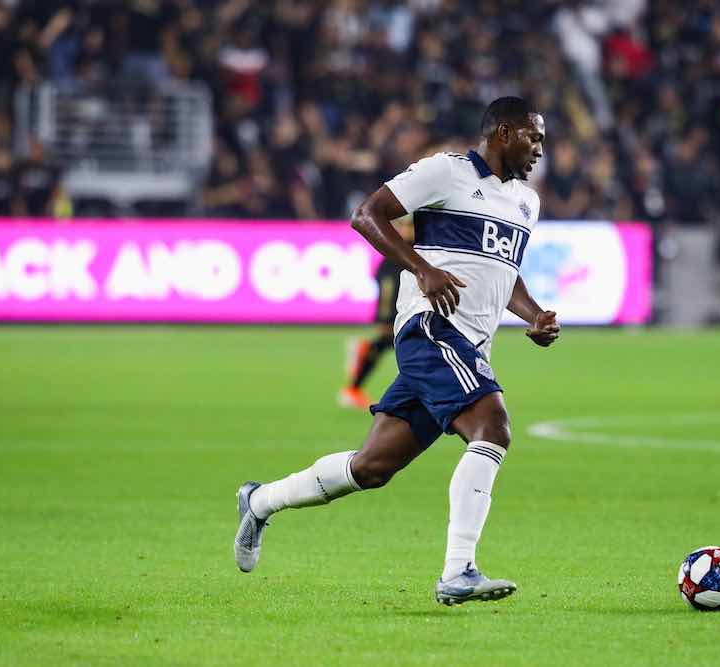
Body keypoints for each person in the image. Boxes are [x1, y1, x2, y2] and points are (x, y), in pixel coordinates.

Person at [234, 97, 558, 605]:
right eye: (532, 136)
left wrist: (533, 314)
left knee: (371, 467)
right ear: (501, 133)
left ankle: (260, 501)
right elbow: (367, 214)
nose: (540, 148)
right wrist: (419, 267)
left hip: (468, 346)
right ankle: (459, 571)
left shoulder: (525, 202)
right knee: (493, 427)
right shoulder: (444, 173)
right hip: (429, 329)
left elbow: (503, 270)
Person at [338, 217, 414, 410]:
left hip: (409, 298)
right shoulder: (393, 257)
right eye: (402, 226)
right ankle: (354, 385)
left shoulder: (413, 249)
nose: (405, 230)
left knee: (393, 342)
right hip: (396, 298)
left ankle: (356, 381)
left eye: (409, 226)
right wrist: (385, 316)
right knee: (391, 338)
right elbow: (387, 286)